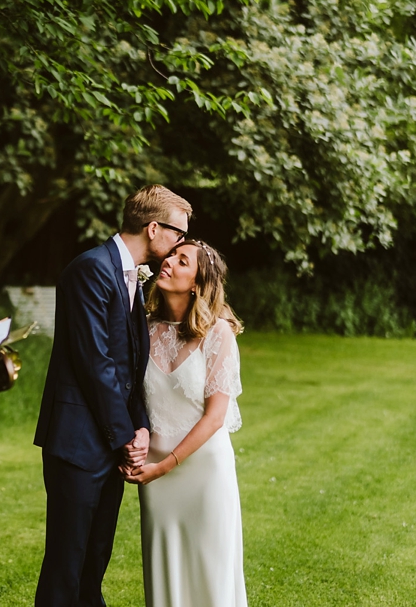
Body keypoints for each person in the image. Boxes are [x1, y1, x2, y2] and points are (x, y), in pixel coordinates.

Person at [34, 184, 193, 607]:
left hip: (109, 439)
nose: (181, 243)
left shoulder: (132, 279)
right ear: (154, 227)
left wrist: (139, 426)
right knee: (66, 565)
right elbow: (95, 363)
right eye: (178, 234)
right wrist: (125, 437)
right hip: (77, 441)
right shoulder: (90, 269)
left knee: (94, 561)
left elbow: (129, 369)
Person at [124, 240, 247, 607]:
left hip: (203, 472)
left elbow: (215, 417)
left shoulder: (218, 333)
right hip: (155, 477)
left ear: (197, 283)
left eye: (182, 261)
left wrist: (165, 465)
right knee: (166, 572)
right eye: (171, 256)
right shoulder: (143, 329)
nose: (169, 263)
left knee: (210, 572)